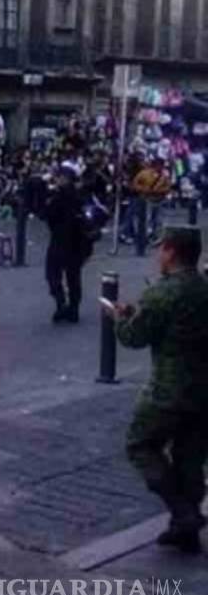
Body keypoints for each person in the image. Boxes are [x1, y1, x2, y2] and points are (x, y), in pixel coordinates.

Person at [110, 226, 208, 554]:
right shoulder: (202, 288)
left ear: (171, 251)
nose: (157, 255)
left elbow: (133, 337)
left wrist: (120, 318)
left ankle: (182, 512)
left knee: (140, 445)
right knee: (190, 457)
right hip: (202, 388)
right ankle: (185, 530)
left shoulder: (163, 293)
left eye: (161, 249)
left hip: (168, 388)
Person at [43, 164, 91, 324]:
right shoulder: (79, 196)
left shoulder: (58, 197)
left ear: (65, 178)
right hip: (77, 241)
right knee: (73, 276)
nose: (56, 179)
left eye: (59, 177)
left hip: (60, 239)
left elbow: (48, 216)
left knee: (52, 273)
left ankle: (61, 302)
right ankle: (74, 308)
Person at [131, 156, 173, 256]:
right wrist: (143, 190)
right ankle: (145, 238)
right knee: (146, 219)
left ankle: (155, 237)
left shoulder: (165, 176)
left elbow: (168, 187)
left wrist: (159, 191)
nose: (160, 167)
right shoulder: (144, 173)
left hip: (159, 200)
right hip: (146, 200)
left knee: (157, 220)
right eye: (159, 165)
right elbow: (135, 184)